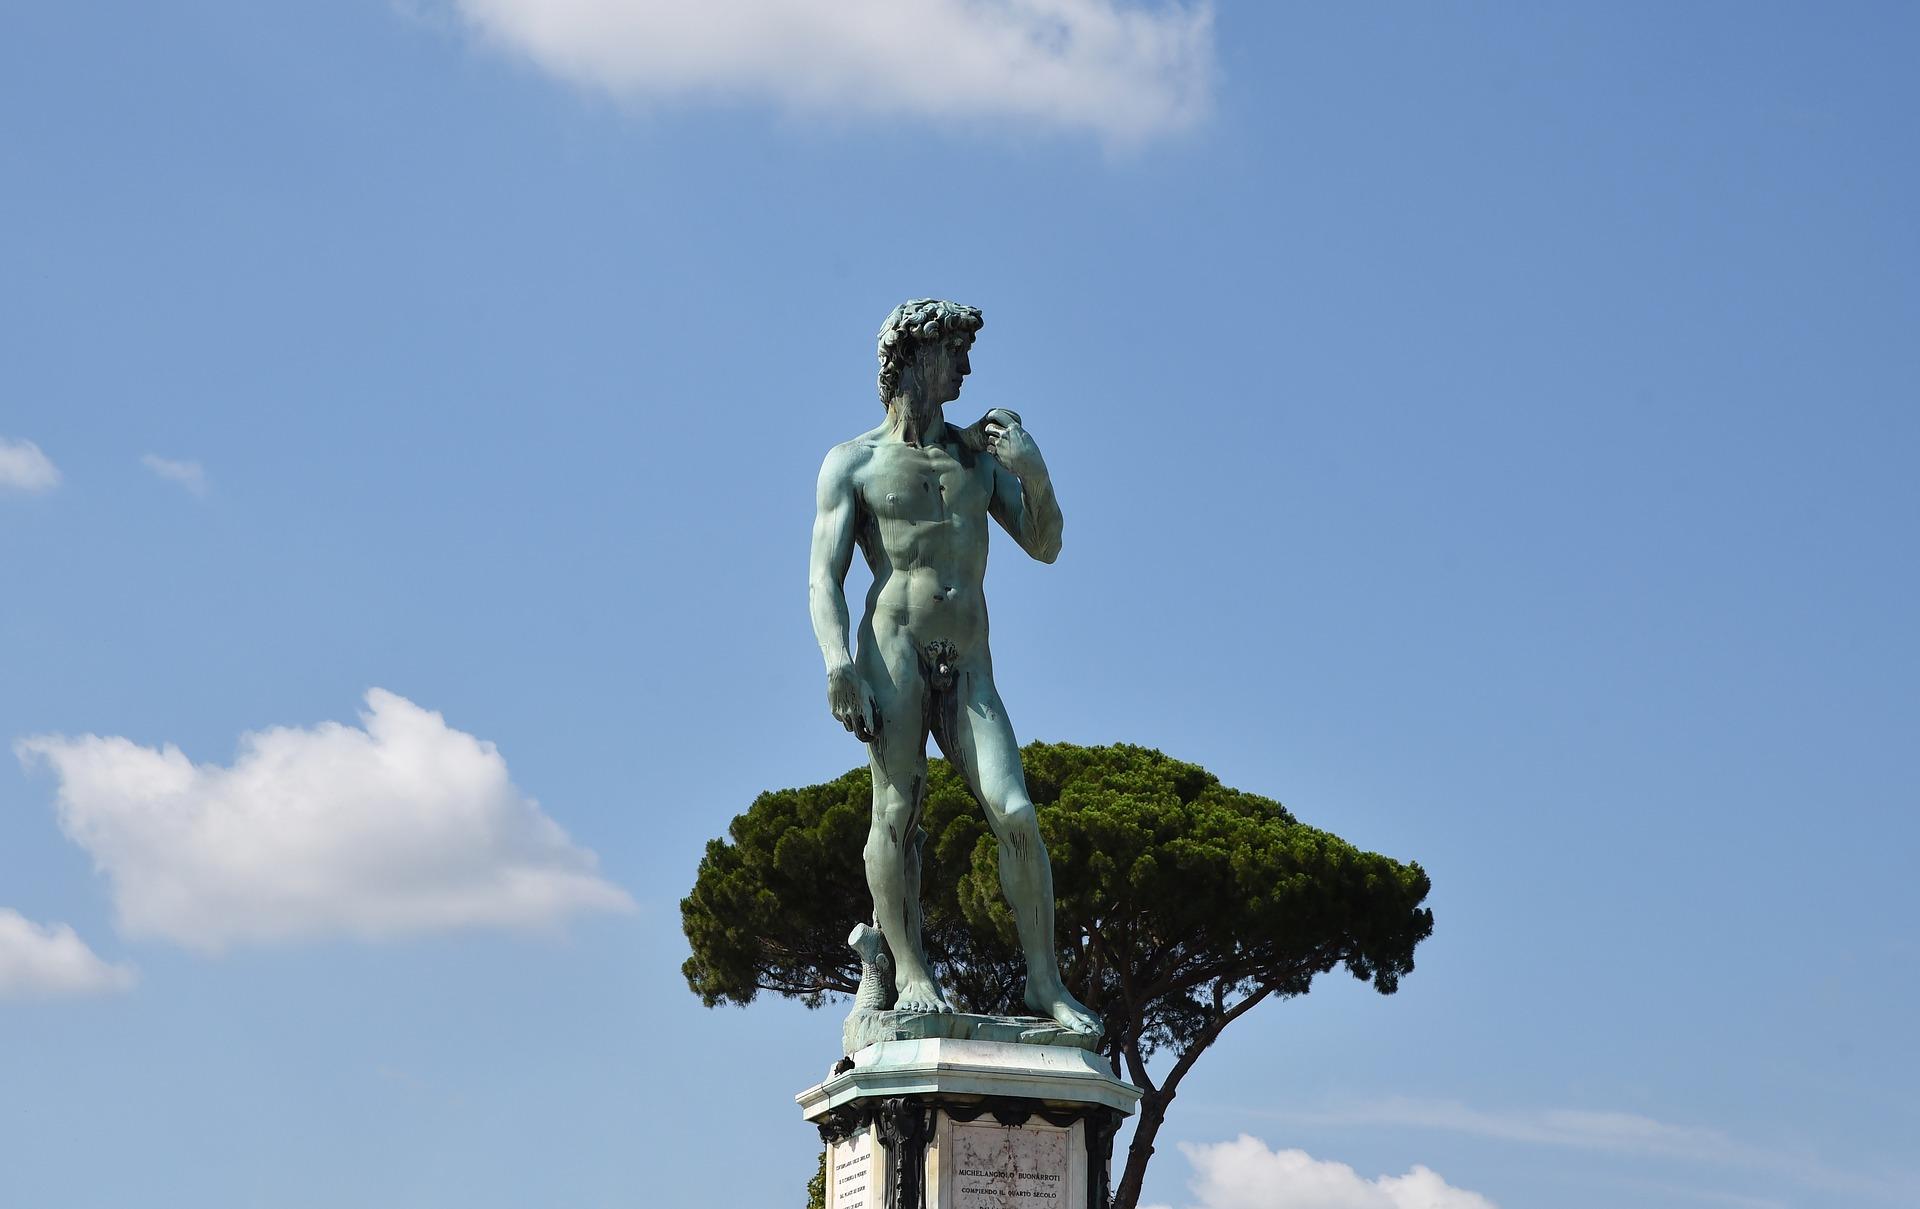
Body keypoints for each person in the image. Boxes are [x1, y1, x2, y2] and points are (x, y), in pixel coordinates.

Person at [807, 298, 1099, 1035]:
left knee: (1017, 812)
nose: (967, 367)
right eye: (954, 352)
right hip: (892, 652)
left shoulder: (975, 455)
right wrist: (839, 662)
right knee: (896, 812)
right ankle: (907, 969)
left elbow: (1047, 542)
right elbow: (822, 576)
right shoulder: (855, 462)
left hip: (970, 664)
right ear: (912, 358)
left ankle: (1044, 983)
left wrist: (1035, 474)